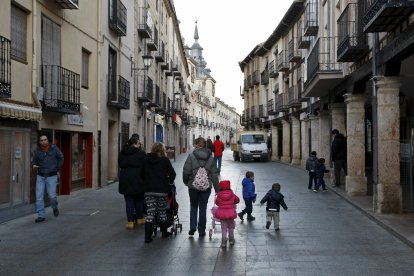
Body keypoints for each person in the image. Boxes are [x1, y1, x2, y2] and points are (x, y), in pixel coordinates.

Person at [183, 137, 219, 237]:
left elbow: (186, 171)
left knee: (193, 206)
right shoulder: (210, 158)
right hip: (206, 187)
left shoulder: (191, 156)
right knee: (203, 207)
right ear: (205, 145)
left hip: (193, 186)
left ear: (197, 145)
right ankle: (201, 230)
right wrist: (217, 190)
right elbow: (214, 175)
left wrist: (187, 182)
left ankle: (192, 227)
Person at [141, 142, 176, 243]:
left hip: (149, 191)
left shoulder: (145, 160)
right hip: (161, 190)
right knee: (162, 211)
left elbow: (141, 174)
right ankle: (164, 233)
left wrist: (147, 182)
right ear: (162, 150)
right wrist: (168, 181)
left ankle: (147, 237)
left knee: (150, 213)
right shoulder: (165, 160)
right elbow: (172, 174)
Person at [32, 135, 64, 223]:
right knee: (39, 197)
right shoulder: (37, 151)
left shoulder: (54, 148)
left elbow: (61, 158)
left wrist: (56, 168)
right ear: (39, 142)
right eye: (41, 140)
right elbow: (34, 161)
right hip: (41, 176)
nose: (43, 141)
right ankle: (41, 215)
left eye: (45, 140)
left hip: (51, 176)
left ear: (48, 140)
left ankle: (54, 207)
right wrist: (34, 165)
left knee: (52, 196)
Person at [118, 136, 146, 229]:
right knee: (139, 199)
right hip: (138, 178)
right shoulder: (141, 153)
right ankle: (140, 218)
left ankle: (130, 222)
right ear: (135, 144)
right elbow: (145, 165)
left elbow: (120, 164)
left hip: (125, 178)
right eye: (138, 143)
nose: (139, 145)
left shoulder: (122, 153)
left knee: (129, 201)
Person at [214, 180, 240, 248]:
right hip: (231, 214)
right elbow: (238, 200)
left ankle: (223, 242)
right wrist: (233, 202)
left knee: (224, 228)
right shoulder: (232, 194)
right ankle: (231, 240)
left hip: (222, 215)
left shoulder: (219, 195)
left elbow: (217, 203)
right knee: (231, 227)